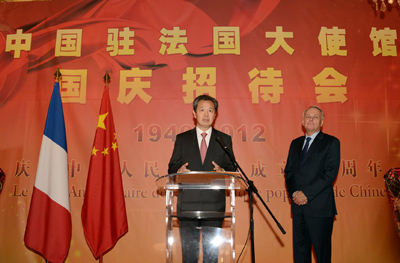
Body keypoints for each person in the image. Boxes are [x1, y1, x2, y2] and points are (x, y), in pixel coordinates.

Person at [168, 94, 236, 263]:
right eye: (202, 110)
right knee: (189, 255)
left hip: (214, 205)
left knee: (211, 256)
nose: (206, 114)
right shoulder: (182, 139)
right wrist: (178, 170)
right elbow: (171, 167)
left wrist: (223, 171)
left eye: (210, 110)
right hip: (188, 205)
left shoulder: (224, 139)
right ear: (194, 113)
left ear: (215, 114)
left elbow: (232, 168)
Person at [284, 106, 340, 263]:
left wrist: (306, 194)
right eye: (308, 116)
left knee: (322, 254)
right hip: (298, 208)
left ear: (322, 122)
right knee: (300, 254)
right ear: (302, 121)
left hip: (320, 208)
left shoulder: (331, 142)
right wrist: (295, 193)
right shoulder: (295, 143)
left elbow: (329, 174)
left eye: (315, 117)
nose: (311, 120)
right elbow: (289, 172)